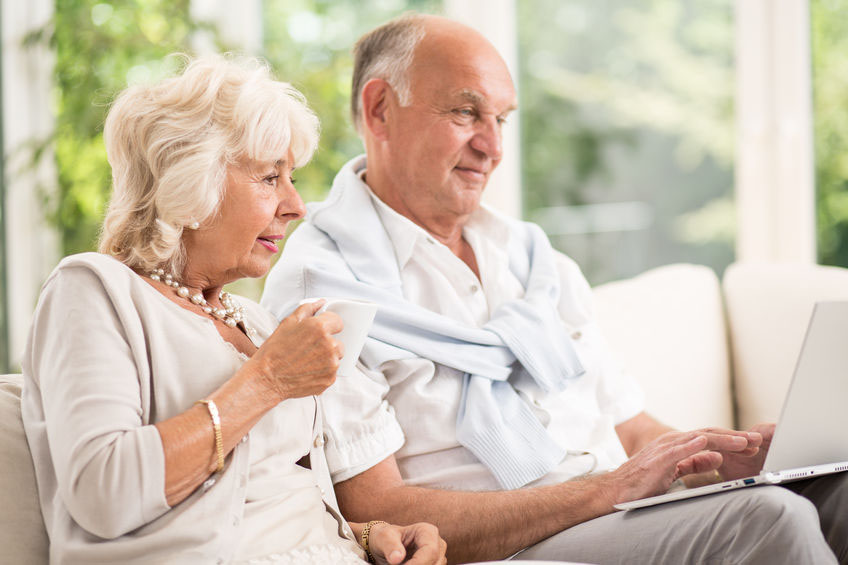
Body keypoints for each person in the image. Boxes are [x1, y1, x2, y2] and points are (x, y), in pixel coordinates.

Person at [260, 13, 848, 565]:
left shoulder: (533, 260)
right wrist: (608, 489)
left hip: (615, 509)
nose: (492, 147)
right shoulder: (323, 288)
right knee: (766, 519)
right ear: (380, 108)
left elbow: (633, 430)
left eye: (502, 118)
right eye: (466, 113)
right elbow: (375, 509)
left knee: (835, 491)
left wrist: (732, 456)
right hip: (517, 542)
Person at [20, 54, 447, 565]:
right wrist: (267, 381)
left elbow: (264, 499)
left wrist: (368, 534)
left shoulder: (255, 319)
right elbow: (103, 493)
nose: (296, 206)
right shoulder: (94, 290)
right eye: (270, 177)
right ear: (191, 184)